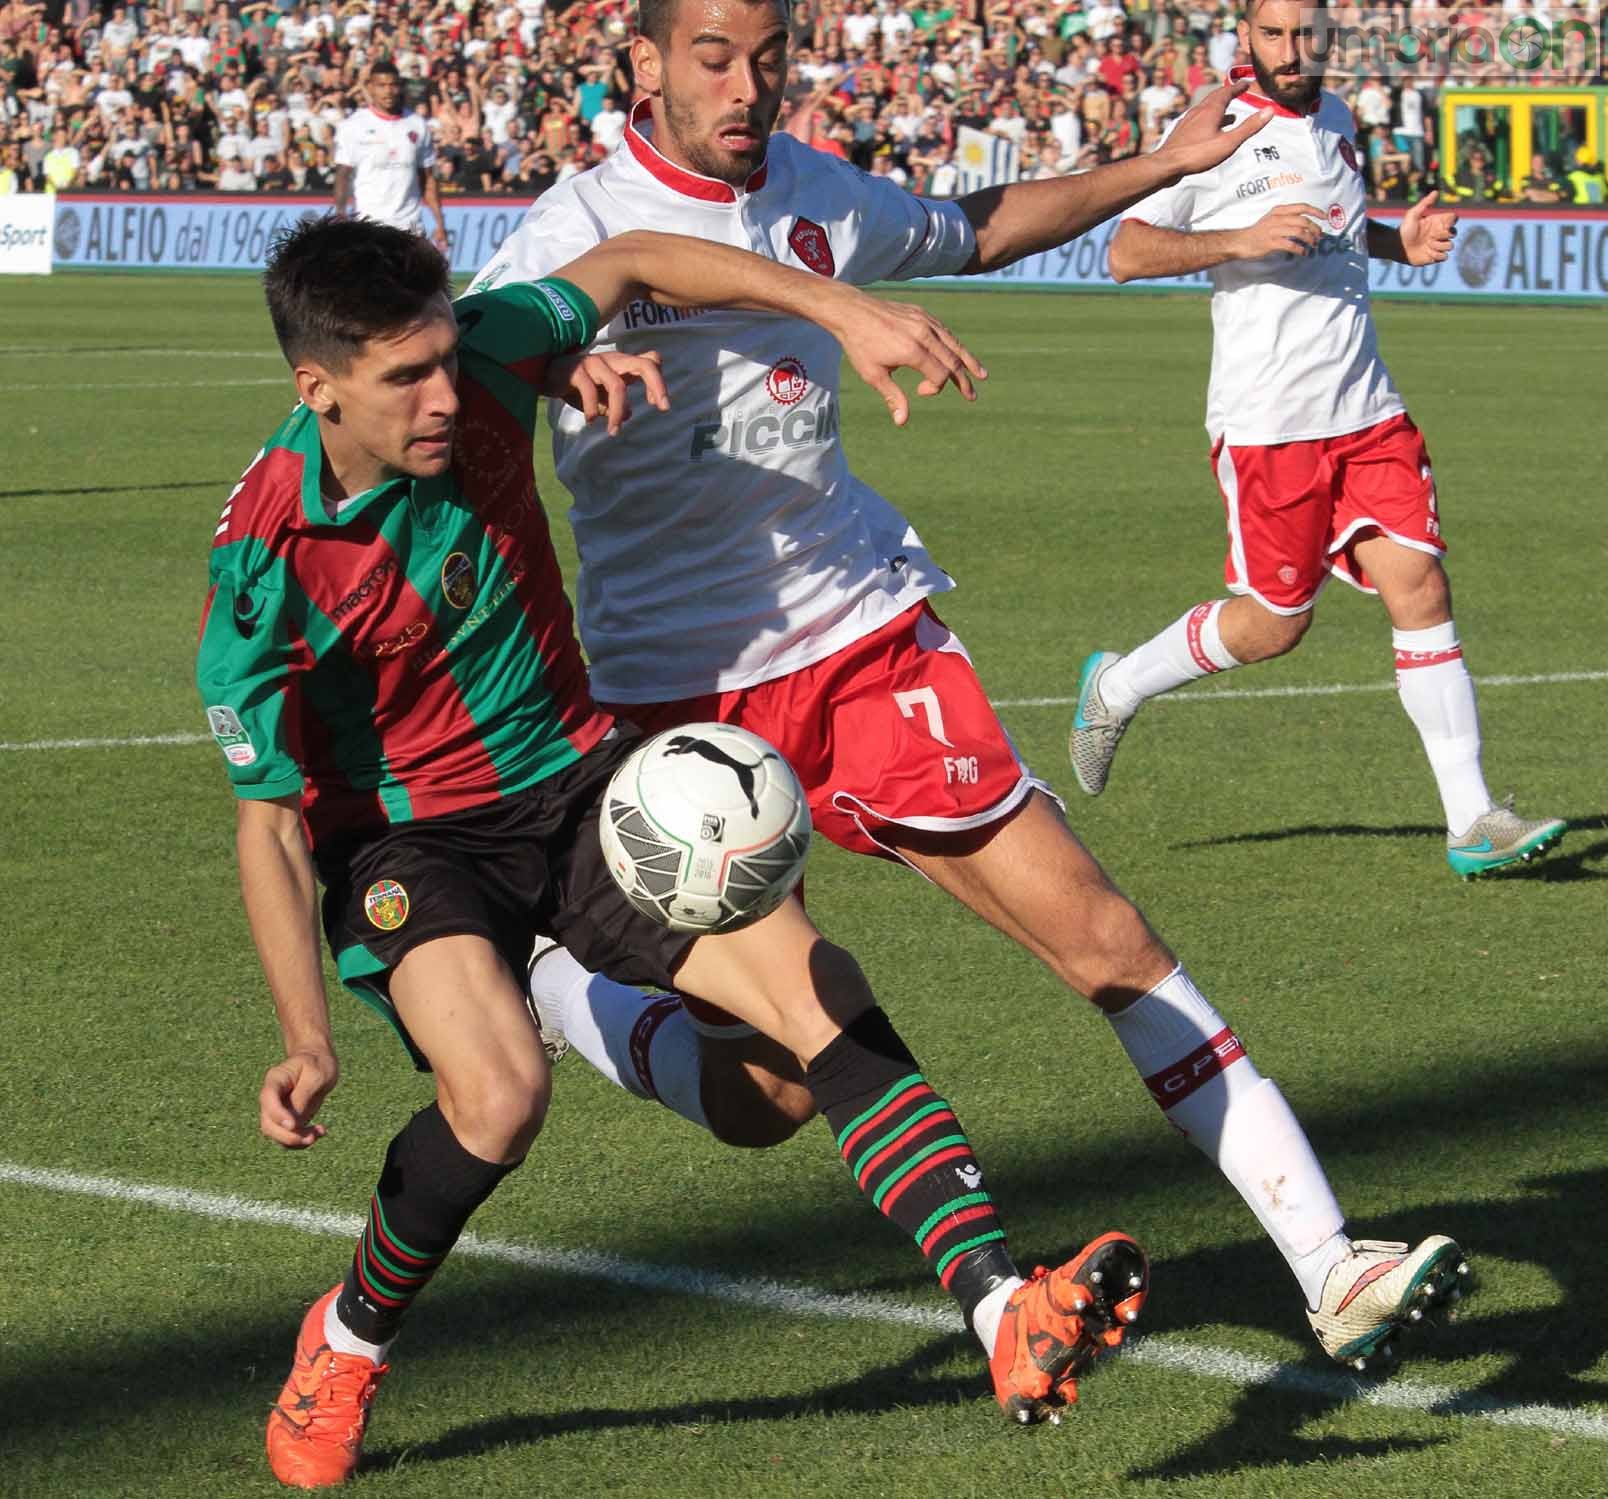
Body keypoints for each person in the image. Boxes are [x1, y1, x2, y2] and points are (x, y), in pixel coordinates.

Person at [468, 0, 1468, 1387]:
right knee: (764, 1093)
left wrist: (1159, 166)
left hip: (863, 636)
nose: (748, 86)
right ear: (641, 65)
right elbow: (465, 360)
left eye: (770, 57)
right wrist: (553, 353)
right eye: (713, 57)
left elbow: (977, 223)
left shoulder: (816, 191)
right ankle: (568, 986)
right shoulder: (574, 224)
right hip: (672, 694)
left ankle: (1330, 1262)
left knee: (1104, 931)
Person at [200, 214, 1151, 1489]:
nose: (445, 391)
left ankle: (1000, 1306)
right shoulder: (264, 567)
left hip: (582, 778)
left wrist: (839, 310)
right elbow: (266, 822)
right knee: (497, 1095)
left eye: (446, 358)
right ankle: (349, 1338)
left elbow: (638, 253)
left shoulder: (485, 350)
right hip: (410, 841)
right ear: (316, 388)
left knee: (802, 1039)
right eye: (404, 378)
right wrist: (305, 1033)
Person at [1080, 0, 1567, 881]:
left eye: (1307, 34)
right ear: (1246, 40)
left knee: (1420, 584)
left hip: (1368, 411)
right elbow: (1126, 250)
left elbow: (1335, 228)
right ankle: (1117, 686)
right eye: (1274, 34)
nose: (1293, 51)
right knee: (1274, 626)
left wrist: (1396, 240)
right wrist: (1240, 237)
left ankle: (1473, 820)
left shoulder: (1336, 116)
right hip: (1270, 426)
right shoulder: (1212, 126)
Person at [332, 56, 448, 251]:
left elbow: (428, 179)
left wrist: (439, 222)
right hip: (368, 226)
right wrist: (341, 214)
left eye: (393, 85)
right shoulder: (354, 125)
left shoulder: (417, 124)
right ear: (370, 87)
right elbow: (342, 175)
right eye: (381, 85)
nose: (388, 91)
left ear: (400, 86)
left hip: (409, 227)